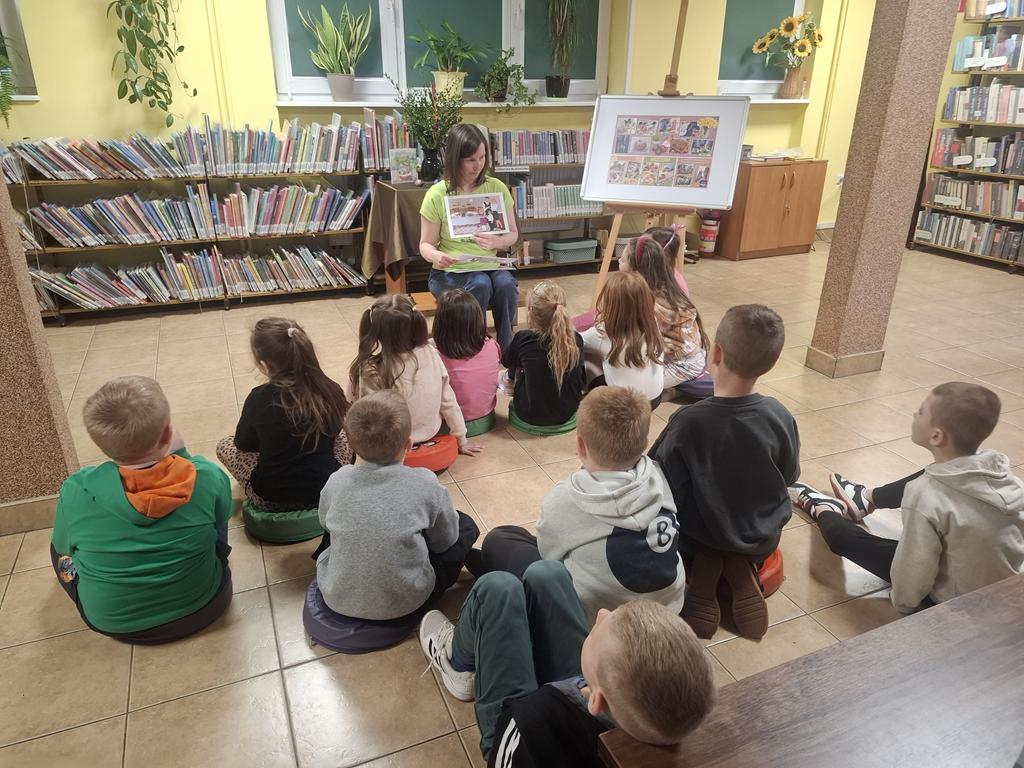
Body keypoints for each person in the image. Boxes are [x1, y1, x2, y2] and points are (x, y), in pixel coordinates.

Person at [418, 561, 716, 766]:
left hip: (521, 727)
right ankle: (525, 639)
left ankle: (457, 664)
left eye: (600, 629)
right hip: (582, 711)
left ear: (597, 700)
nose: (601, 613)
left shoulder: (529, 719)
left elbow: (504, 758)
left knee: (497, 588)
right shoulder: (657, 714)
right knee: (548, 573)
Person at [790, 382, 1024, 614]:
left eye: (921, 411)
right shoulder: (1007, 478)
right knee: (938, 471)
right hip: (1000, 590)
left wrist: (904, 601)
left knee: (841, 539)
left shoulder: (925, 495)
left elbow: (915, 568)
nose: (915, 412)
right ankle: (863, 498)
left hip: (952, 600)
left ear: (936, 435)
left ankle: (823, 507)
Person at [470, 387, 685, 623]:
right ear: (644, 443)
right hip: (667, 610)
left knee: (500, 539)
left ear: (580, 446)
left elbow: (549, 561)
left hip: (597, 620)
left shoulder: (566, 497)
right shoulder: (658, 476)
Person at [649, 304, 799, 640]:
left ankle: (706, 571)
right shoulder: (780, 415)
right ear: (770, 362)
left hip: (699, 538)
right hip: (761, 538)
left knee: (677, 513)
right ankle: (739, 565)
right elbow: (789, 477)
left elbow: (660, 481)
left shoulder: (688, 422)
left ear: (715, 353)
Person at [51, 376, 233, 643]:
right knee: (214, 511)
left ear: (101, 443)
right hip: (207, 606)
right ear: (169, 435)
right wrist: (183, 458)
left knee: (58, 548)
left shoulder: (76, 490)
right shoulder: (205, 476)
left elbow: (63, 546)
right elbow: (221, 517)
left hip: (115, 624)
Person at [313, 391, 479, 631]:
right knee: (465, 525)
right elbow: (445, 542)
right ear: (408, 445)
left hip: (336, 595)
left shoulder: (336, 481)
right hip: (408, 602)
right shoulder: (425, 483)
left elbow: (326, 526)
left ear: (349, 443)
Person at [217, 318, 352, 511]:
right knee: (346, 435)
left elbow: (242, 443)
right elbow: (335, 430)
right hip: (325, 489)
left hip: (270, 497)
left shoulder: (259, 398)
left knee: (224, 445)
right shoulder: (330, 389)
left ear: (265, 365)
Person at [420, 124, 520, 350]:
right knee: (480, 283)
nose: (478, 166)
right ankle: (475, 346)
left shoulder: (496, 188)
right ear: (456, 159)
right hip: (449, 272)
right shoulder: (438, 194)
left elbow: (512, 234)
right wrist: (437, 255)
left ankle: (506, 348)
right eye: (471, 160)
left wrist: (498, 241)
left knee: (505, 284)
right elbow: (425, 244)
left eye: (483, 157)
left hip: (488, 264)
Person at [349, 293, 482, 456]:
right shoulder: (430, 352)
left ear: (375, 332)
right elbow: (448, 400)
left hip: (394, 444)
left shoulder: (371, 368)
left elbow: (368, 417)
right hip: (431, 432)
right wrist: (462, 440)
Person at [621, 233, 711, 399]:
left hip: (682, 364)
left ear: (636, 270)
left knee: (632, 390)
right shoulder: (661, 284)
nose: (619, 262)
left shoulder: (651, 301)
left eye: (623, 259)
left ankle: (677, 390)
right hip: (680, 353)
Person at [572, 223, 690, 333]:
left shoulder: (635, 289)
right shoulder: (668, 278)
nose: (637, 249)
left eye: (644, 247)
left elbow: (605, 320)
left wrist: (573, 326)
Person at [502, 281, 586, 430]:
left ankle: (512, 384)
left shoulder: (523, 338)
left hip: (529, 413)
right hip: (568, 411)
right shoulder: (576, 339)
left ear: (530, 312)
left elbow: (507, 361)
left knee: (515, 365)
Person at [581, 271, 665, 408]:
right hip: (654, 400)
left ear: (611, 306)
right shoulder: (652, 323)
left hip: (624, 407)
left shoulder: (603, 333)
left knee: (586, 357)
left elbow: (576, 340)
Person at [431, 288, 501, 428]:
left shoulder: (432, 351)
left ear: (440, 322)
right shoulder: (492, 344)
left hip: (449, 424)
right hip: (486, 417)